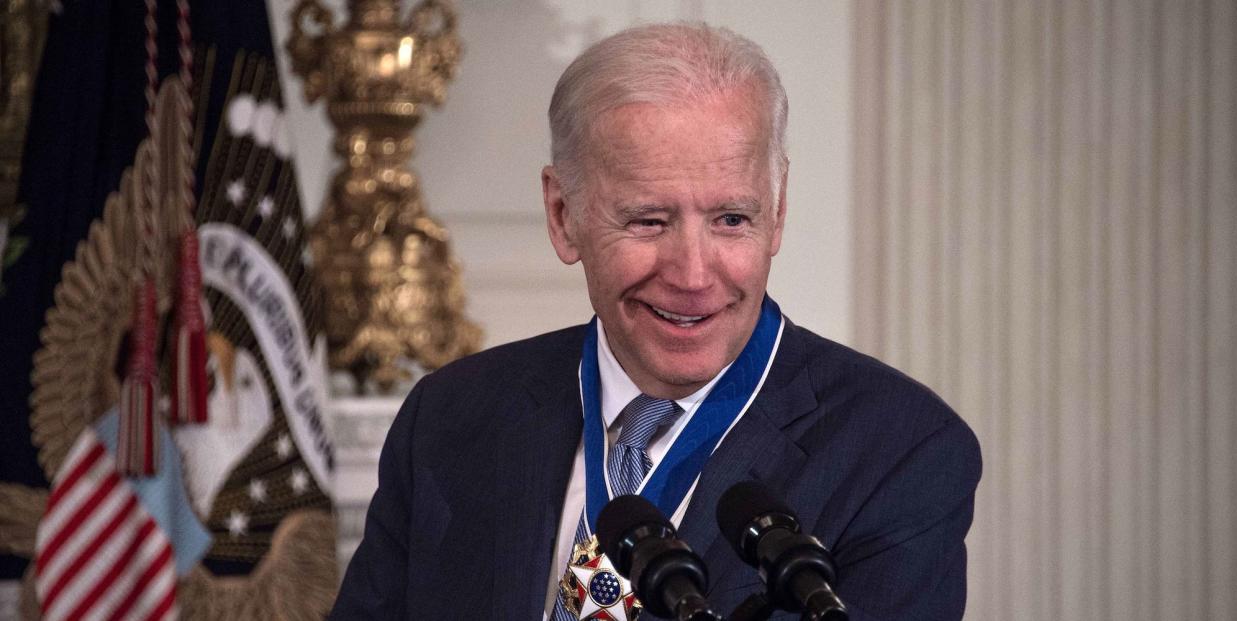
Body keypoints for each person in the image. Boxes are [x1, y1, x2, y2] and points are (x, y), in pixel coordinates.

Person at [330, 22, 981, 621]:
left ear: (777, 212)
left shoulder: (902, 452)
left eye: (731, 218)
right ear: (563, 215)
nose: (694, 274)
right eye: (648, 220)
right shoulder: (449, 417)